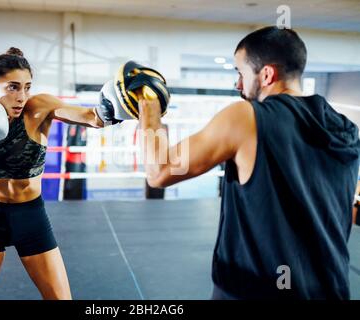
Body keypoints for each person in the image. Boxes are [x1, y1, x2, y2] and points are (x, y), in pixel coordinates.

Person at [123, 26, 360, 299]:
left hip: (254, 290)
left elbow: (159, 171)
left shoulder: (246, 118)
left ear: (267, 74)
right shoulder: (346, 128)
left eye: (240, 73)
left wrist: (149, 109)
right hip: (331, 289)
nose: (238, 85)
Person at [0, 43, 124, 300]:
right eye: (12, 87)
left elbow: (91, 118)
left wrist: (116, 106)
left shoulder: (39, 108)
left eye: (27, 87)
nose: (21, 97)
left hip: (30, 216)